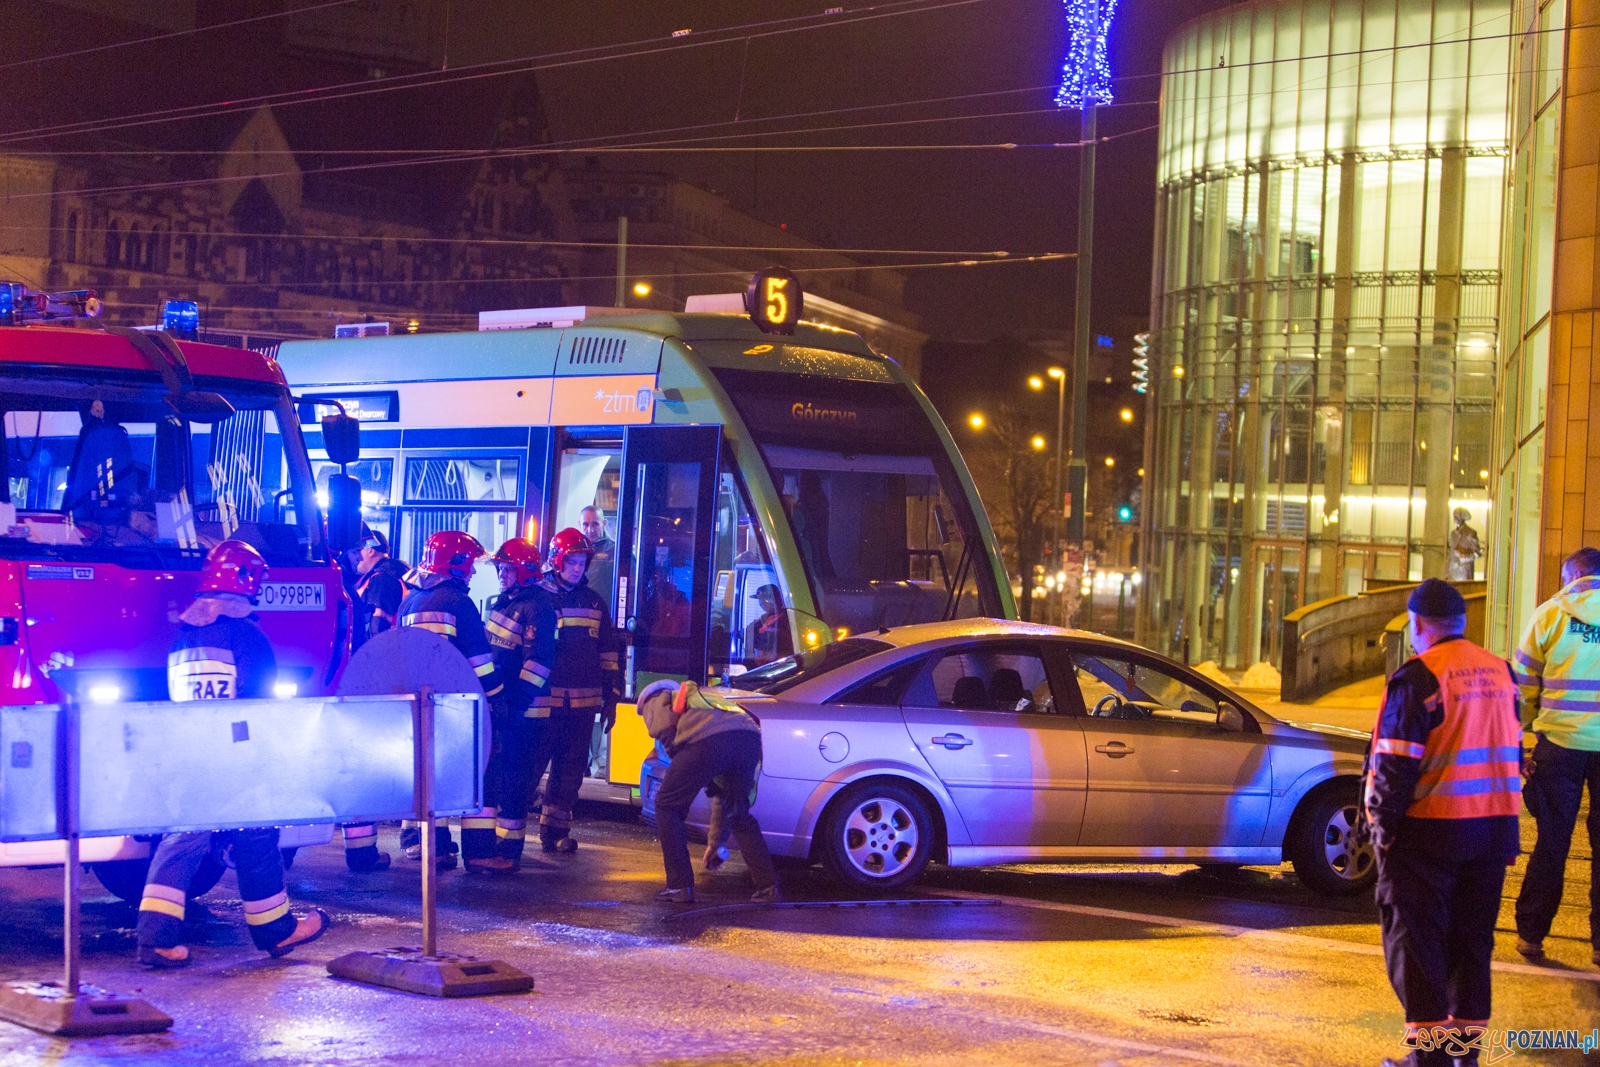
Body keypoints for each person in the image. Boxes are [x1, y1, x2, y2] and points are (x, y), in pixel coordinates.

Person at [137, 540, 332, 969]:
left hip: (192, 753)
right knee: (258, 835)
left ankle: (156, 937)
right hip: (238, 756)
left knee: (183, 838)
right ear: (245, 582)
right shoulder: (246, 635)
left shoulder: (185, 634)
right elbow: (260, 705)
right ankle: (275, 932)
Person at [1365, 579, 1522, 1067]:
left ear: (1416, 624)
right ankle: (1463, 1053)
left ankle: (1430, 1057)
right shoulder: (1502, 673)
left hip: (1430, 831)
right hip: (1494, 830)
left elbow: (1394, 765)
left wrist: (1382, 830)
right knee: (1471, 942)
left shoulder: (1419, 678)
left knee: (1417, 942)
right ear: (1462, 623)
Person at [395, 530, 504, 871]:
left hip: (418, 709)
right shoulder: (459, 604)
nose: (472, 572)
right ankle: (480, 852)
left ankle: (437, 849)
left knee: (433, 779)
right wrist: (498, 702)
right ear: (455, 565)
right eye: (470, 565)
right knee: (482, 775)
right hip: (457, 709)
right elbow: (480, 665)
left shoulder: (409, 601)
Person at [1512, 546, 1600, 967]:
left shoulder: (1548, 614)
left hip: (1560, 746)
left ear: (1573, 575)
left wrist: (1523, 736)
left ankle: (1531, 934)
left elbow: (1524, 683)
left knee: (1552, 843)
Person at [636, 680, 778, 904]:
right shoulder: (709, 702)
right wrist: (716, 843)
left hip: (709, 740)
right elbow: (721, 793)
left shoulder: (660, 699)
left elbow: (664, 730)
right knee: (738, 813)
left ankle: (679, 886)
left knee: (666, 805)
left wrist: (677, 757)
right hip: (748, 738)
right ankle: (767, 887)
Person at [524, 528, 618, 852]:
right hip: (543, 703)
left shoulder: (595, 602)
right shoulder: (537, 597)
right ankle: (506, 832)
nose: (577, 568)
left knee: (570, 770)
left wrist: (613, 698)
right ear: (556, 561)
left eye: (581, 562)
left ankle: (556, 833)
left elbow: (608, 653)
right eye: (572, 561)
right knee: (530, 767)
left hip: (582, 704)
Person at [462, 537, 548, 873]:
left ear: (524, 571)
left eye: (507, 569)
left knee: (514, 783)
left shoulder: (536, 607)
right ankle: (497, 850)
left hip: (526, 712)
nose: (501, 574)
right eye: (500, 568)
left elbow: (538, 663)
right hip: (506, 708)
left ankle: (509, 853)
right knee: (498, 779)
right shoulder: (505, 603)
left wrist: (515, 706)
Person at [339, 524, 408, 872]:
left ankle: (362, 852)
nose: (351, 559)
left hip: (363, 688)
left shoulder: (379, 582)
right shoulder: (369, 581)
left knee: (358, 771)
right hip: (359, 687)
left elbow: (377, 633)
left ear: (369, 549)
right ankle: (361, 852)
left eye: (355, 553)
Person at [743, 584, 791, 666]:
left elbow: (767, 640)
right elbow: (746, 632)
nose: (761, 603)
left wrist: (752, 637)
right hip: (760, 665)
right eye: (760, 600)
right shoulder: (766, 617)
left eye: (764, 599)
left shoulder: (785, 619)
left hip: (775, 667)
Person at [579, 505, 616, 601]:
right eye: (585, 524)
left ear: (604, 523)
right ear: (580, 524)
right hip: (578, 613)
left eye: (595, 524)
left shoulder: (616, 551)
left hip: (604, 612)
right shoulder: (573, 551)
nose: (590, 530)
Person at [1447, 508, 1483, 582]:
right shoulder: (1453, 534)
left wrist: (1464, 556)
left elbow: (1477, 553)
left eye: (1456, 515)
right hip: (1453, 573)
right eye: (1454, 515)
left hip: (1464, 572)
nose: (1454, 518)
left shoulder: (1470, 533)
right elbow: (1450, 554)